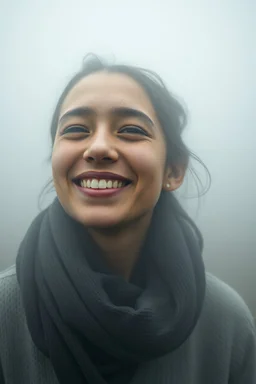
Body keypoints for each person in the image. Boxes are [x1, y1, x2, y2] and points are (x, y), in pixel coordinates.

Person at [0, 54, 255, 384]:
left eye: (131, 130)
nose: (99, 147)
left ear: (173, 170)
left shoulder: (226, 322)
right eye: (76, 129)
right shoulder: (6, 313)